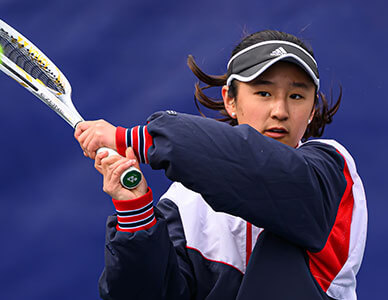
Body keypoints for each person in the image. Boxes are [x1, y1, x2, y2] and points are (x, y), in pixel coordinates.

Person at [74, 30, 367, 300]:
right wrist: (134, 209)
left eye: (297, 96)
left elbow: (261, 170)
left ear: (312, 108)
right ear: (230, 100)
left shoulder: (333, 174)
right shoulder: (184, 205)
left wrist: (136, 139)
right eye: (264, 93)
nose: (280, 111)